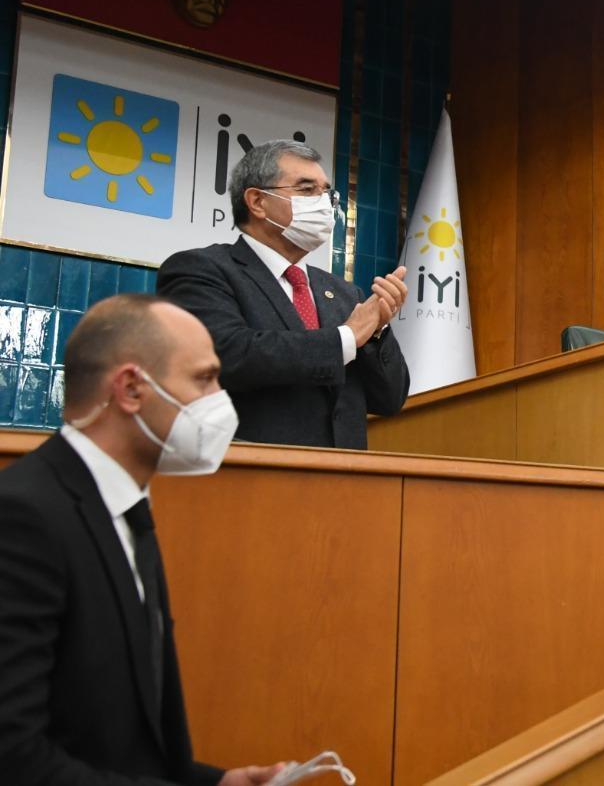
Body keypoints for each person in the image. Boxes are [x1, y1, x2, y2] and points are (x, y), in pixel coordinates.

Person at [0, 294, 284, 783]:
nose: (221, 399)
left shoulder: (126, 509)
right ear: (131, 388)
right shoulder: (24, 518)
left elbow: (125, 741)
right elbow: (14, 755)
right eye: (204, 378)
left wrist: (214, 782)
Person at [157, 140, 410, 450]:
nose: (323, 203)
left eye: (327, 193)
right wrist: (347, 336)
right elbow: (227, 356)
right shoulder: (201, 269)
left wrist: (376, 331)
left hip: (343, 485)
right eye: (306, 190)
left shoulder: (345, 294)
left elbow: (390, 400)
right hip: (251, 478)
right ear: (257, 201)